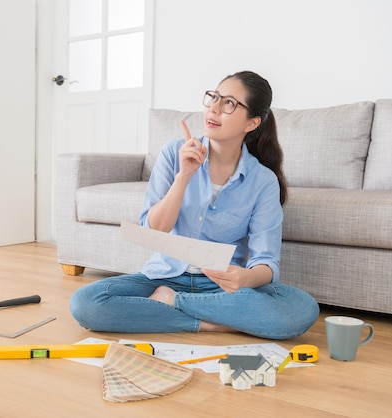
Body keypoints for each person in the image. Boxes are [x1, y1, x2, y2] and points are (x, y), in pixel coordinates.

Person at [69, 71, 319, 340]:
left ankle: (172, 302)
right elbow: (154, 229)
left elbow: (266, 263)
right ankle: (217, 323)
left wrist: (244, 279)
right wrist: (184, 176)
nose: (213, 107)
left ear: (252, 122)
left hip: (221, 288)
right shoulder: (174, 153)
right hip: (163, 277)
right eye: (214, 97)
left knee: (300, 309)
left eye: (229, 103)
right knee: (86, 304)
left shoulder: (263, 181)